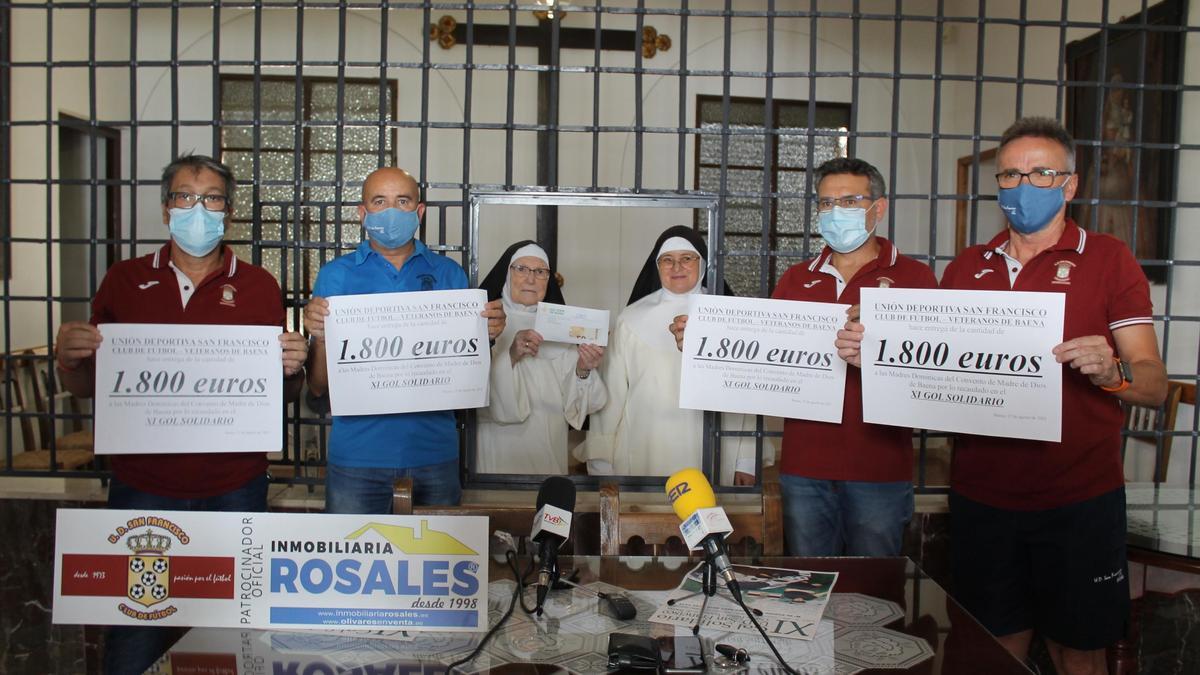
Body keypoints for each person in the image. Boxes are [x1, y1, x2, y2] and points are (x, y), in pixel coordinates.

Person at [842, 117, 1168, 675]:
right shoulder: (970, 266)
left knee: (1078, 651)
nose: (1023, 186)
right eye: (1011, 174)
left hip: (1078, 498)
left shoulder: (1109, 259)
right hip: (984, 497)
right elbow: (934, 369)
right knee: (990, 646)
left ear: (1069, 185)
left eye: (1040, 173)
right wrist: (873, 353)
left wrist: (1109, 369)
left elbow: (1154, 384)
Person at [53, 154, 308, 675]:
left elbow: (278, 394)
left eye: (211, 198)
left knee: (235, 625)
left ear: (229, 213)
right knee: (135, 627)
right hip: (143, 485)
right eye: (186, 196)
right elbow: (84, 386)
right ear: (166, 209)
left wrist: (292, 366)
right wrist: (69, 357)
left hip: (235, 484)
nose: (199, 208)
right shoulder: (124, 281)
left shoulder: (259, 285)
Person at [675, 157, 935, 556]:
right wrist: (702, 344)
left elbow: (933, 371)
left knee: (876, 590)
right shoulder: (797, 279)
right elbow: (763, 355)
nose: (835, 213)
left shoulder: (916, 279)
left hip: (879, 469)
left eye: (849, 202)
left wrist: (878, 359)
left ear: (878, 208)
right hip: (805, 468)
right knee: (810, 586)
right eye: (826, 204)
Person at [303, 167, 505, 512]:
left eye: (402, 201)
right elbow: (319, 387)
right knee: (357, 560)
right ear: (362, 213)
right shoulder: (335, 276)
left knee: (435, 562)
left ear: (419, 212)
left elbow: (468, 374)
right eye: (379, 202)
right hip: (356, 458)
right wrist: (320, 337)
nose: (391, 211)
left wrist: (487, 332)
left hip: (434, 454)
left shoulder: (449, 275)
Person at [577, 225, 773, 484]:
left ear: (702, 264)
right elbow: (612, 395)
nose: (677, 267)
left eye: (686, 259)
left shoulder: (730, 315)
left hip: (712, 448)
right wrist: (602, 459)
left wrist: (746, 460)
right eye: (667, 260)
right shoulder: (631, 318)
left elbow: (744, 393)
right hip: (643, 448)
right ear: (657, 267)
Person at [476, 241, 607, 474]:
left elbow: (580, 407)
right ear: (506, 273)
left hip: (549, 448)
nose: (531, 279)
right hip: (498, 445)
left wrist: (583, 369)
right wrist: (512, 355)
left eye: (540, 272)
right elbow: (471, 392)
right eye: (521, 269)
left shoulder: (563, 329)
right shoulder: (486, 322)